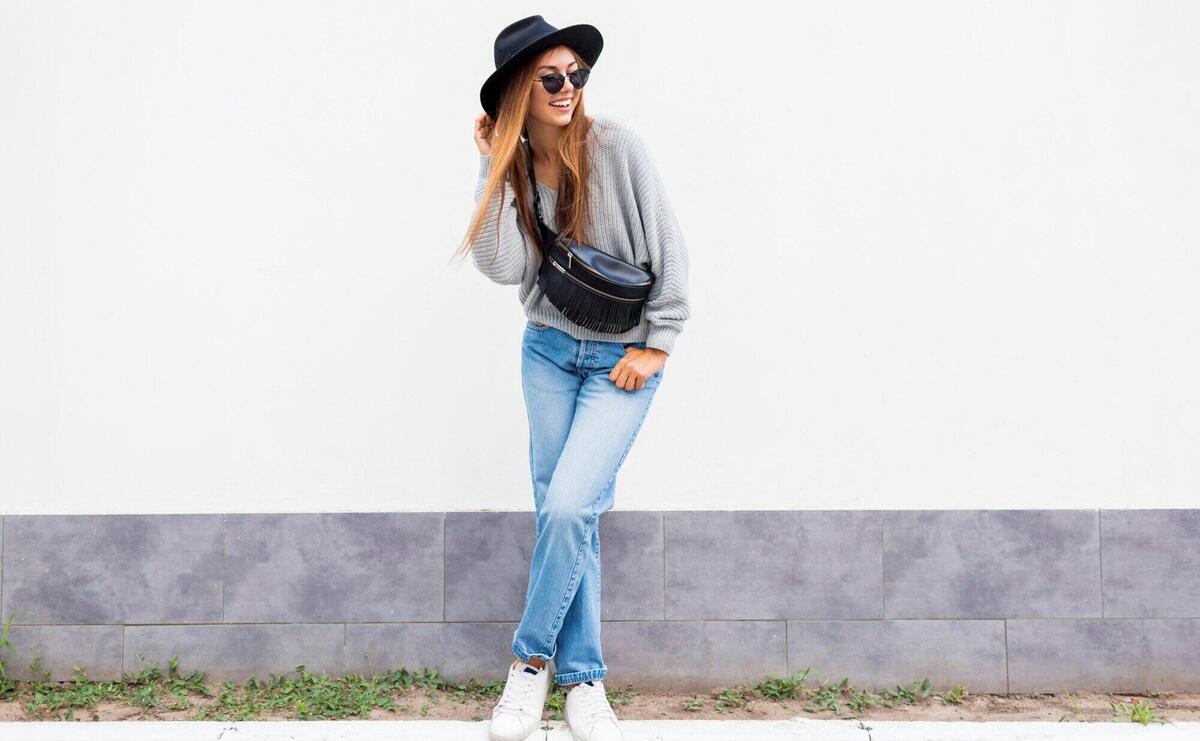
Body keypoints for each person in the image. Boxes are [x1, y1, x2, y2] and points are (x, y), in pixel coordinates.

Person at [455, 15, 690, 741]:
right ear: (522, 92)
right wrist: (494, 165)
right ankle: (584, 680)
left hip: (621, 362)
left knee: (566, 509)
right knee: (565, 508)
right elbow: (505, 269)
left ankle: (530, 665)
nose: (566, 89)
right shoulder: (520, 165)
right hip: (550, 353)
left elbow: (670, 249)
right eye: (550, 78)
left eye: (575, 76)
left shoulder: (618, 147)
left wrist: (660, 344)